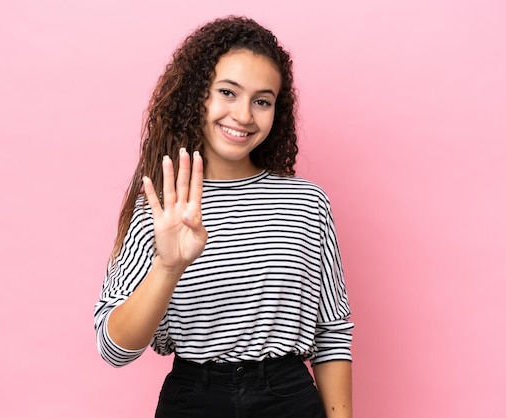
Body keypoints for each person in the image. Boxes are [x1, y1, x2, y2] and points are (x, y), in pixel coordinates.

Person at [94, 16, 354, 418]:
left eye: (262, 100)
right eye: (228, 92)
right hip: (194, 399)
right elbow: (114, 350)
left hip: (288, 397)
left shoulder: (307, 203)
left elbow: (333, 333)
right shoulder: (161, 210)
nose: (244, 115)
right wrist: (168, 266)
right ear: (197, 95)